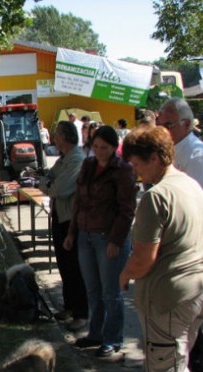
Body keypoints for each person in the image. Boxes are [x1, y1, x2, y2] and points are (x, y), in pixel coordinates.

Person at [120, 126, 203, 372]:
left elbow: (143, 258)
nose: (135, 172)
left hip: (170, 296)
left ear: (155, 157)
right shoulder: (190, 184)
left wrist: (124, 274)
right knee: (173, 358)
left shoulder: (155, 196)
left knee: (170, 370)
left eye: (137, 165)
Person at [157, 97, 203, 372]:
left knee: (186, 298)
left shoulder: (197, 155)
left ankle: (197, 359)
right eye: (160, 124)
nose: (162, 129)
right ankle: (192, 357)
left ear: (186, 124)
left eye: (167, 124)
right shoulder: (173, 150)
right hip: (181, 231)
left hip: (201, 231)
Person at [64, 125, 136, 357]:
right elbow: (79, 202)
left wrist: (116, 240)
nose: (99, 151)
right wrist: (72, 232)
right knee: (92, 290)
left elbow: (127, 210)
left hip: (108, 238)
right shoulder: (88, 165)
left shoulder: (122, 170)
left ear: (114, 147)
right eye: (95, 147)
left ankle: (113, 339)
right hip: (85, 234)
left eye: (104, 148)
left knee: (111, 292)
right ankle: (95, 334)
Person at [38, 121, 88, 330]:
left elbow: (58, 189)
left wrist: (46, 184)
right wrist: (47, 183)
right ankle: (69, 307)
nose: (53, 138)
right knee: (64, 265)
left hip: (71, 220)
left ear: (65, 137)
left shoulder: (76, 158)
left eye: (56, 135)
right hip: (60, 216)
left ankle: (81, 313)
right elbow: (47, 178)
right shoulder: (64, 158)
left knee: (74, 267)